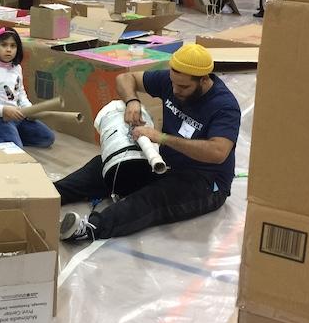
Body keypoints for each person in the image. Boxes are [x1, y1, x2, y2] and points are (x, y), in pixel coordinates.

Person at [54, 44, 240, 242]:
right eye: (173, 83)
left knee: (153, 198)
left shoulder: (224, 106)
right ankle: (47, 195)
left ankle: (89, 228)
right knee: (105, 165)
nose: (175, 90)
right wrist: (132, 101)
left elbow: (218, 152)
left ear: (204, 79)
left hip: (206, 181)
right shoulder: (174, 81)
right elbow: (125, 78)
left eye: (184, 87)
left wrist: (161, 138)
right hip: (165, 163)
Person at [0, 27, 55, 149]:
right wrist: (4, 110)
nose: (8, 50)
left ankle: (11, 138)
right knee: (15, 148)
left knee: (47, 138)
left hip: (18, 116)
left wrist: (29, 109)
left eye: (13, 46)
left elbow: (20, 93)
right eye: (4, 45)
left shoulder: (17, 68)